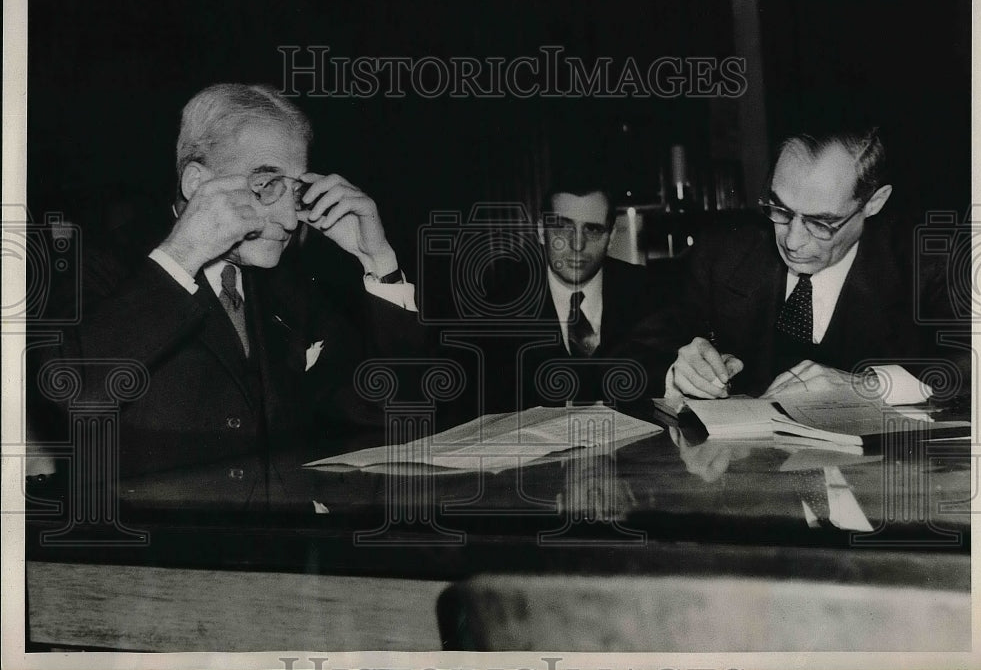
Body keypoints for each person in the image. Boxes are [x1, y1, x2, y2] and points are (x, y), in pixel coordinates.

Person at [30, 83, 424, 478]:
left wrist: (379, 261)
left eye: (296, 189)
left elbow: (386, 412)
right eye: (266, 185)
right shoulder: (98, 264)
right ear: (196, 183)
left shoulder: (285, 287)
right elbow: (71, 390)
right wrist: (182, 254)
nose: (290, 220)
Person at [625, 128, 966, 404]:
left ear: (874, 203)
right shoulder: (723, 253)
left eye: (821, 222)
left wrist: (870, 385)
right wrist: (677, 371)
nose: (792, 241)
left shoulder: (928, 261)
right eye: (781, 211)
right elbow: (629, 350)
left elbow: (979, 364)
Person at [482, 174, 657, 409]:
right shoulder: (500, 307)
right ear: (542, 231)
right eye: (563, 228)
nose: (577, 244)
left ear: (611, 236)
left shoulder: (649, 292)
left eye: (593, 229)